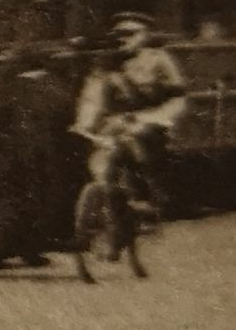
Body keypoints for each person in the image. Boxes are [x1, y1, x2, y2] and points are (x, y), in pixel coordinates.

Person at [71, 12, 188, 214]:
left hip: (152, 119)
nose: (124, 39)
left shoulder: (158, 59)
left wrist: (152, 118)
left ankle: (150, 196)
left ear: (146, 35)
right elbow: (95, 96)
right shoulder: (111, 62)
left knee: (138, 144)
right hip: (118, 121)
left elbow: (178, 97)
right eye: (120, 35)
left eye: (130, 34)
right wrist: (85, 124)